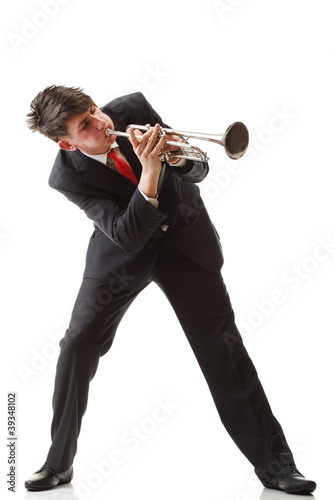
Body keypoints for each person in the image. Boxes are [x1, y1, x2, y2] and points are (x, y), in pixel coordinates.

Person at [24, 86, 316, 494]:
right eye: (85, 125)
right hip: (122, 254)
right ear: (67, 143)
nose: (102, 122)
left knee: (223, 349)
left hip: (184, 241)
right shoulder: (66, 177)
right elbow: (127, 233)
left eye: (94, 110)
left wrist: (175, 158)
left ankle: (278, 468)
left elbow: (197, 171)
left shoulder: (132, 109)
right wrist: (149, 171)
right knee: (77, 343)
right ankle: (58, 464)